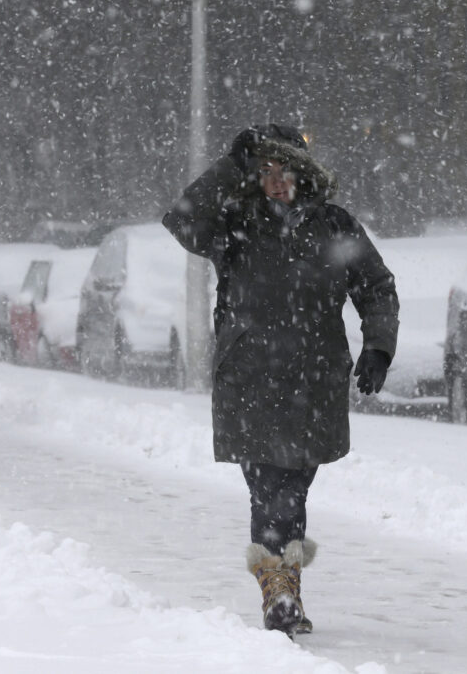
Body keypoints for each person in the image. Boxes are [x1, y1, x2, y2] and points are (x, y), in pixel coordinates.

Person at [162, 124, 399, 638]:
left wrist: (378, 346)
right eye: (264, 171)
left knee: (295, 486)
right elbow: (180, 220)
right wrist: (229, 164)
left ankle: (284, 585)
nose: (274, 181)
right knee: (267, 487)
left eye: (283, 169)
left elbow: (376, 286)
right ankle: (280, 592)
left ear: (302, 172)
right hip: (249, 376)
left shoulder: (334, 225)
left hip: (314, 379)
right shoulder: (234, 223)